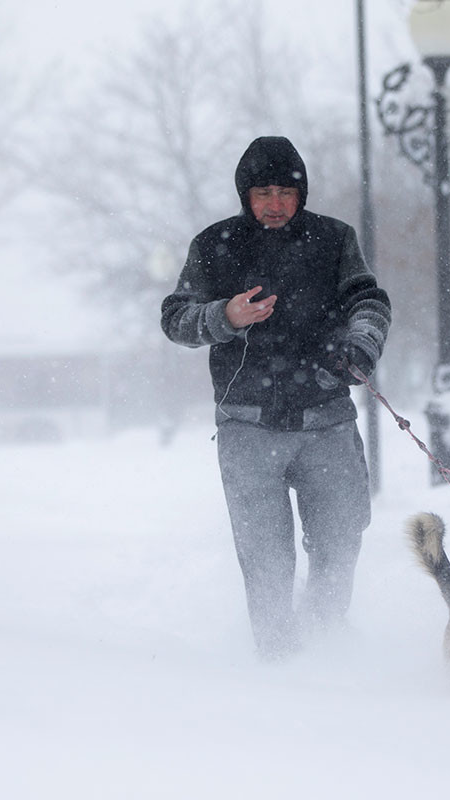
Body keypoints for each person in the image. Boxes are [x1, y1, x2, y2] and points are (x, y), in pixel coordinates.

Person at [160, 136, 391, 660]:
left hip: (327, 421)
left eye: (286, 191)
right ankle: (278, 665)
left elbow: (369, 300)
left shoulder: (334, 240)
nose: (275, 202)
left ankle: (327, 648)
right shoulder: (214, 244)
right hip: (248, 428)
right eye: (263, 191)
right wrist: (225, 316)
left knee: (339, 545)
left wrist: (362, 345)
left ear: (301, 192)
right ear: (245, 193)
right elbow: (175, 318)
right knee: (265, 560)